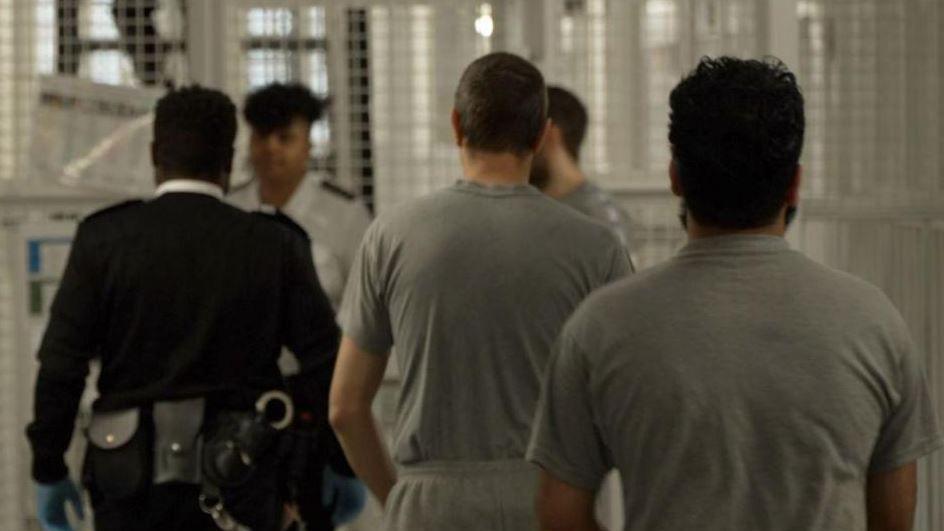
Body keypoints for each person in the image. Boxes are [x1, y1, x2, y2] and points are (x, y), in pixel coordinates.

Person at [528, 57, 944, 531]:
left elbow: (559, 515)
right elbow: (895, 520)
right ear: (794, 184)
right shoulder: (875, 323)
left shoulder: (600, 327)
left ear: (675, 178)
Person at [329, 52, 632, 531]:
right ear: (540, 135)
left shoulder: (392, 235)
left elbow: (345, 408)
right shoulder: (595, 246)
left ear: (456, 125)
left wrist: (401, 500)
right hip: (547, 500)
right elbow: (626, 402)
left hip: (430, 502)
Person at [26, 86, 342, 531]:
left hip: (129, 484)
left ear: (155, 154)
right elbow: (325, 364)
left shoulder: (103, 241)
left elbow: (62, 365)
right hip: (242, 480)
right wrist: (341, 462)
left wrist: (48, 465)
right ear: (229, 161)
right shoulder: (276, 245)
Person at [229, 82, 372, 310]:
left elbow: (367, 309)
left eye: (285, 138)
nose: (271, 148)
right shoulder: (230, 206)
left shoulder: (344, 214)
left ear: (308, 144)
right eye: (261, 137)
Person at [529, 85, 636, 261]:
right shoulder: (532, 208)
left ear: (549, 134)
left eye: (526, 135)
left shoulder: (600, 218)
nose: (517, 149)